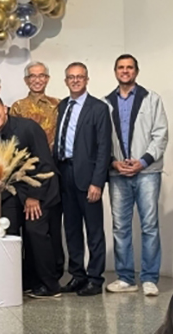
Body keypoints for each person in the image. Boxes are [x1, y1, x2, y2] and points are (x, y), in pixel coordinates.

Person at [0, 95, 64, 299]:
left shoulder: (28, 128)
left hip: (41, 188)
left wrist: (34, 196)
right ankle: (22, 280)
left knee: (35, 231)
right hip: (14, 191)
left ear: (5, 108)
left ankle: (50, 285)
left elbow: (45, 164)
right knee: (8, 229)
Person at [105, 54, 168, 297]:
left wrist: (142, 162)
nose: (125, 71)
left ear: (136, 71)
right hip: (118, 173)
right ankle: (125, 278)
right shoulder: (106, 103)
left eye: (129, 67)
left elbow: (160, 135)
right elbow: (102, 139)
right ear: (115, 72)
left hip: (147, 173)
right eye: (121, 67)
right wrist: (114, 162)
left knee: (149, 225)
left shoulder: (152, 99)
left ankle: (150, 278)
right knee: (120, 226)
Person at [54, 62, 111, 297]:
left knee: (94, 230)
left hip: (88, 178)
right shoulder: (62, 105)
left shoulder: (98, 108)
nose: (75, 80)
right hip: (64, 173)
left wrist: (97, 182)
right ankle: (78, 275)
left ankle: (95, 278)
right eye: (71, 77)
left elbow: (104, 147)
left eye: (80, 77)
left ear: (87, 80)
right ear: (66, 81)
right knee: (72, 229)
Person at [10, 61, 60, 150]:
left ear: (47, 79)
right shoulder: (18, 107)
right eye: (32, 76)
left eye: (41, 76)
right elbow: (12, 137)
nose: (37, 80)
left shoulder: (58, 104)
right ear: (26, 80)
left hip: (54, 156)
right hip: (28, 156)